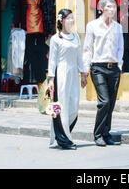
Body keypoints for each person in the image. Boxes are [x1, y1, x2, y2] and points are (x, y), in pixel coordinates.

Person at [83, 0, 124, 146]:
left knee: (111, 103)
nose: (112, 9)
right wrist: (85, 70)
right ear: (101, 8)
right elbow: (87, 49)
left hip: (113, 68)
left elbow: (120, 48)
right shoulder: (92, 26)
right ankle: (98, 134)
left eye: (114, 6)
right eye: (109, 6)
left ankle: (106, 134)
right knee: (104, 101)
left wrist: (119, 65)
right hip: (98, 68)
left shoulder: (118, 27)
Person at [47, 9, 88, 150]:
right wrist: (51, 80)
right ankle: (64, 139)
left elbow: (79, 57)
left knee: (74, 106)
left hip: (73, 74)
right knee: (60, 106)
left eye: (72, 18)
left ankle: (62, 133)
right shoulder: (55, 39)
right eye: (68, 18)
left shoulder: (75, 37)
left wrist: (83, 73)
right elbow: (52, 60)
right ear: (61, 21)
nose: (71, 21)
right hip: (61, 74)